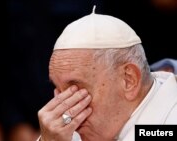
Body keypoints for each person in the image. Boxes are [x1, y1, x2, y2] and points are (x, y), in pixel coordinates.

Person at [36, 6, 177, 141]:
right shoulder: (67, 132)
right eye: (59, 91)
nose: (65, 112)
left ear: (129, 80)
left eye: (76, 90)